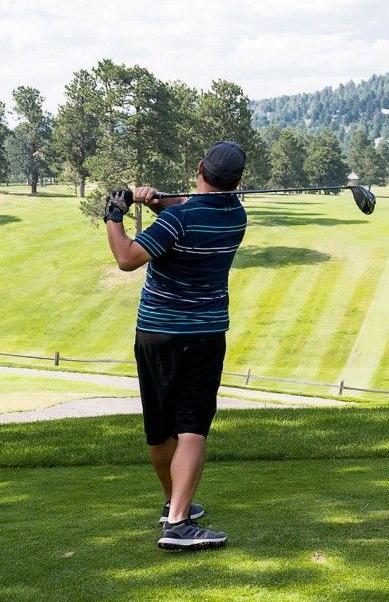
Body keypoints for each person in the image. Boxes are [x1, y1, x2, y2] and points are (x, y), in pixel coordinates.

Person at [102, 140, 248, 551]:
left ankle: (175, 509)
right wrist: (157, 204)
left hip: (155, 334)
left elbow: (128, 258)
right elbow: (192, 210)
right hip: (203, 336)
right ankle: (178, 517)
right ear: (238, 181)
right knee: (192, 428)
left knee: (162, 429)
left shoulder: (179, 218)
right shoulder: (236, 215)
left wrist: (115, 215)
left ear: (199, 167)